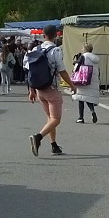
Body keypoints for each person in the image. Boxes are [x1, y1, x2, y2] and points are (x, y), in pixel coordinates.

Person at [27, 24, 76, 156]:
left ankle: (54, 145)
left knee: (50, 118)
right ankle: (38, 137)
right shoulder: (56, 51)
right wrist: (72, 85)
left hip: (39, 89)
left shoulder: (35, 49)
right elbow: (62, 70)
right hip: (51, 88)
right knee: (56, 119)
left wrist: (31, 90)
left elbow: (30, 70)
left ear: (43, 35)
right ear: (56, 35)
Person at [72, 43, 102, 124]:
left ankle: (81, 117)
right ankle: (92, 111)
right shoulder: (95, 59)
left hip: (83, 79)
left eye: (83, 48)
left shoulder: (83, 56)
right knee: (88, 97)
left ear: (85, 49)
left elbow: (77, 67)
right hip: (92, 80)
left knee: (81, 98)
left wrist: (74, 69)